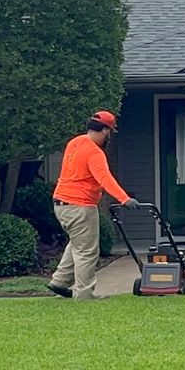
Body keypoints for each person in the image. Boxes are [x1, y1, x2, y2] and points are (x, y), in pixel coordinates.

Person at [47, 110, 137, 300]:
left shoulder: (75, 142)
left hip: (61, 204)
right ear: (105, 130)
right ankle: (84, 294)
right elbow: (105, 178)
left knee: (78, 244)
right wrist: (124, 198)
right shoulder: (94, 152)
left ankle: (60, 282)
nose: (109, 136)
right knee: (87, 251)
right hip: (80, 205)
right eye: (110, 132)